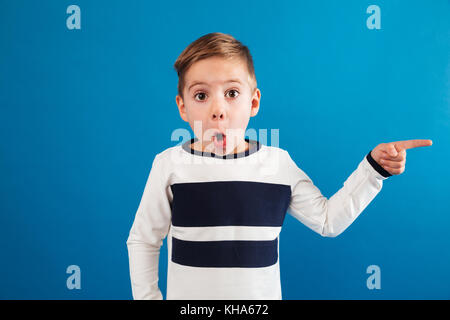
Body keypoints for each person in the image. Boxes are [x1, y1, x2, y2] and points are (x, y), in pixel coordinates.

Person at [126, 32, 432, 300]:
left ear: (254, 102)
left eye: (232, 93)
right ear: (183, 106)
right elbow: (143, 239)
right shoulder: (169, 165)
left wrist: (373, 170)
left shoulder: (277, 164)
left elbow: (328, 221)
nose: (218, 110)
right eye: (202, 95)